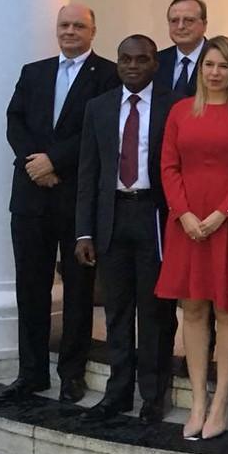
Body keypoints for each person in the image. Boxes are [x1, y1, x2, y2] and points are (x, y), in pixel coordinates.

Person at [0, 3, 118, 406]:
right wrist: (35, 164)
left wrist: (55, 161)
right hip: (31, 197)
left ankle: (72, 375)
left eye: (79, 25)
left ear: (93, 30)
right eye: (64, 24)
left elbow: (99, 132)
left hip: (76, 198)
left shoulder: (108, 75)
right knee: (30, 288)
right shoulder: (34, 72)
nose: (70, 31)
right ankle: (31, 373)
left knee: (79, 293)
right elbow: (15, 121)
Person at [155, 36, 228, 440]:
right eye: (209, 65)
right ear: (200, 69)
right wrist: (184, 213)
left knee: (227, 310)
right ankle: (197, 402)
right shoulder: (180, 111)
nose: (215, 72)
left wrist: (222, 214)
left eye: (224, 66)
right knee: (191, 309)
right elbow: (168, 166)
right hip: (187, 222)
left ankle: (221, 402)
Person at [74, 35, 177, 424]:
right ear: (117, 62)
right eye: (125, 59)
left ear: (155, 64)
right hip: (112, 217)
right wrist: (84, 232)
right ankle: (117, 393)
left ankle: (152, 395)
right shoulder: (98, 107)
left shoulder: (173, 106)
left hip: (154, 215)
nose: (133, 66)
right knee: (117, 311)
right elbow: (88, 172)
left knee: (155, 312)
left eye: (141, 59)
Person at [155, 0, 208, 95]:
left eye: (189, 20)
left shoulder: (221, 61)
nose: (180, 26)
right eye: (174, 21)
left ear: (204, 25)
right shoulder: (156, 62)